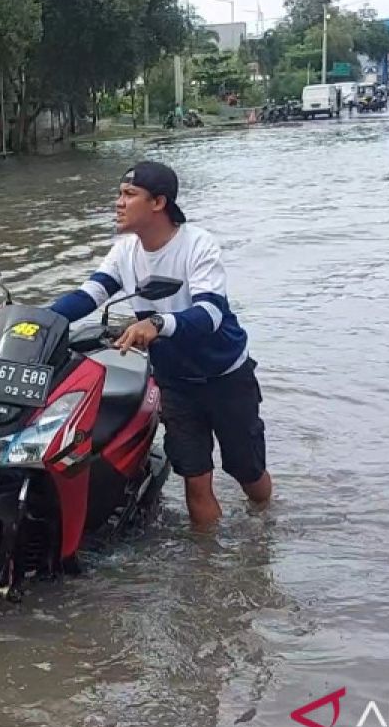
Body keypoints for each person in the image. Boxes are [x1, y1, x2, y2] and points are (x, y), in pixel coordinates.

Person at [48, 161, 272, 530]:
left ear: (158, 203)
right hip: (175, 383)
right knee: (194, 478)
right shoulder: (125, 252)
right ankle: (210, 570)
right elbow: (89, 295)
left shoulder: (197, 245)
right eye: (119, 194)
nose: (118, 203)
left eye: (128, 195)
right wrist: (34, 318)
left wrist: (157, 324)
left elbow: (210, 314)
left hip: (225, 377)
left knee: (248, 473)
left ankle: (265, 532)